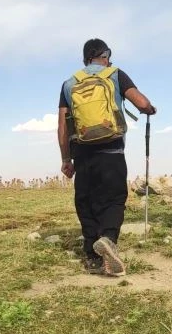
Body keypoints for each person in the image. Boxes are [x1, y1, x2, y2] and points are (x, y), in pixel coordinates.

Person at [58, 38, 156, 276]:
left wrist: (66, 160)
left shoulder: (70, 83)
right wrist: (149, 109)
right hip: (111, 150)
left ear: (85, 58)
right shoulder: (115, 74)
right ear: (105, 54)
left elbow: (62, 126)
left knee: (86, 200)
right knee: (113, 198)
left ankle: (92, 255)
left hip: (82, 152)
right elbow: (141, 102)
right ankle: (108, 239)